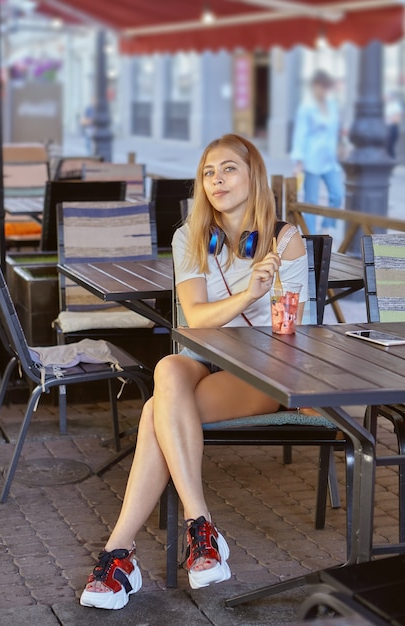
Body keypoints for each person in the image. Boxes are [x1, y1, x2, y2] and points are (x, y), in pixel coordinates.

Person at [79, 133, 309, 611]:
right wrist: (249, 296)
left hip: (262, 367)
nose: (217, 180)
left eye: (228, 169)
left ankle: (119, 555)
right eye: (209, 172)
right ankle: (201, 527)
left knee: (156, 414)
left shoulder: (284, 239)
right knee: (168, 367)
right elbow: (197, 317)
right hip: (205, 358)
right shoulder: (189, 236)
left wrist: (271, 294)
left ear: (253, 175)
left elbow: (293, 329)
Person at [291, 69, 343, 234]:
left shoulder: (332, 106)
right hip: (311, 159)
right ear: (314, 87)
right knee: (311, 201)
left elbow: (335, 131)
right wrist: (298, 161)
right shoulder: (307, 108)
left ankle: (327, 224)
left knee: (337, 194)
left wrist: (341, 146)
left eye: (326, 87)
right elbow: (300, 134)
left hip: (329, 160)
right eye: (320, 87)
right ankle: (311, 236)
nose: (323, 91)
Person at [385, 92, 403, 159]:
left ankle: (391, 161)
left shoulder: (396, 106)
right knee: (386, 147)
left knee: (390, 146)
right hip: (386, 128)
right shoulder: (387, 105)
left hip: (392, 128)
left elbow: (397, 119)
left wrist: (388, 118)